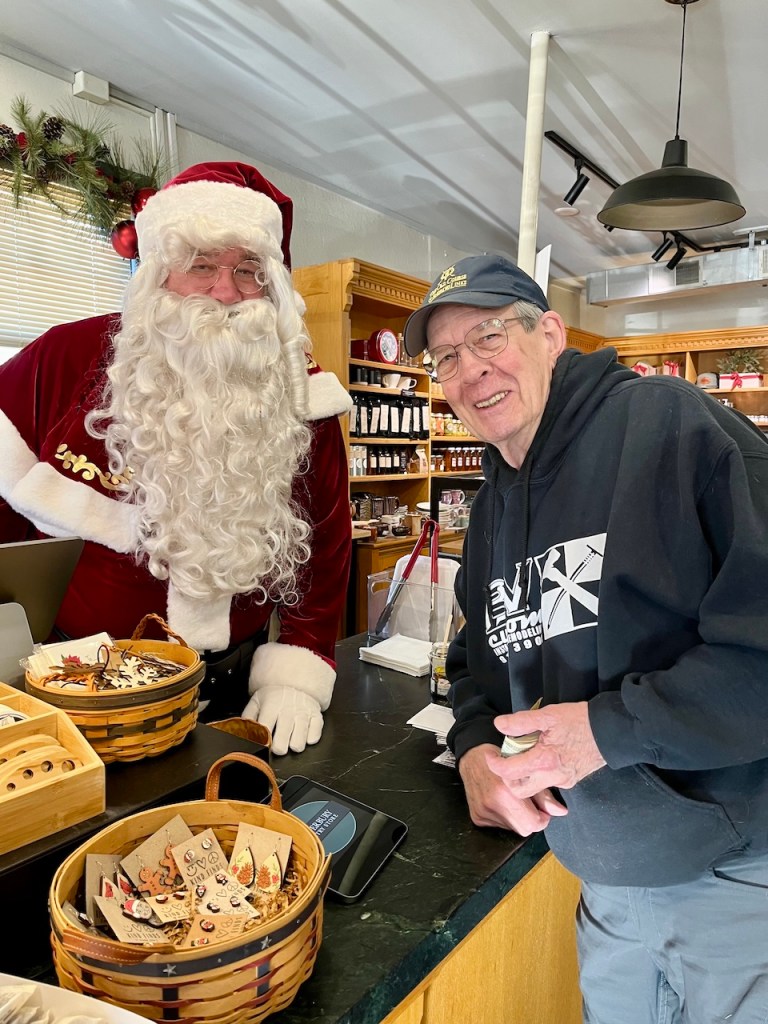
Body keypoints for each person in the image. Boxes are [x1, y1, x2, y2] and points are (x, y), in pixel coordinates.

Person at [402, 253, 768, 1023]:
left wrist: (607, 729)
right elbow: (476, 665)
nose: (471, 370)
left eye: (489, 336)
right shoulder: (494, 504)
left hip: (734, 876)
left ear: (551, 335)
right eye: (447, 358)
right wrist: (472, 749)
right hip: (603, 877)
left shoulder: (671, 425)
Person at [0, 161, 353, 756]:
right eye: (201, 265)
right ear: (159, 271)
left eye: (248, 270)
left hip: (232, 695)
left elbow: (324, 547)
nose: (225, 291)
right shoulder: (64, 357)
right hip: (73, 688)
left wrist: (299, 669)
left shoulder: (302, 393)